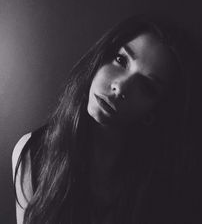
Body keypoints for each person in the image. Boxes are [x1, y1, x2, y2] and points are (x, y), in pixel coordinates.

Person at [12, 15, 190, 224]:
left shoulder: (159, 181)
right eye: (121, 60)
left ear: (154, 111)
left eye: (147, 86)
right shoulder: (34, 153)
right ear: (101, 57)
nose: (120, 87)